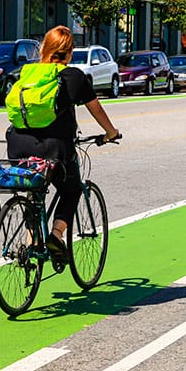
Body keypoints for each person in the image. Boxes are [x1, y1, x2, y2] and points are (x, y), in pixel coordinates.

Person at [6, 25, 120, 265]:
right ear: (69, 52)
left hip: (18, 145)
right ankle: (56, 236)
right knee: (71, 189)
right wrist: (110, 133)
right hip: (54, 150)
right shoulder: (73, 76)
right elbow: (96, 108)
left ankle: (30, 243)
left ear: (45, 48)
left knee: (34, 190)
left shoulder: (27, 74)